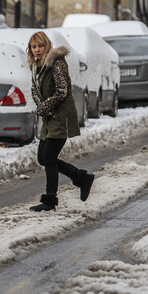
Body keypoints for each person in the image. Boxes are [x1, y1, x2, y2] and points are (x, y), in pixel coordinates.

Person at [27, 31, 95, 212]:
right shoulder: (36, 66)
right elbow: (34, 90)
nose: (37, 50)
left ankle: (50, 200)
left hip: (61, 116)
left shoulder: (56, 63)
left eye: (40, 46)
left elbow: (62, 91)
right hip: (49, 116)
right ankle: (81, 178)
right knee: (42, 157)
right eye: (34, 47)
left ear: (47, 45)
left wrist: (45, 106)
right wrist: (42, 107)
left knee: (49, 157)